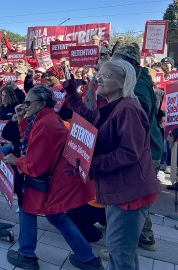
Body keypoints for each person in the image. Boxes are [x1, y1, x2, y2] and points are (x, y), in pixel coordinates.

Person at [65, 60, 160, 270]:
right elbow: (91, 119)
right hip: (119, 188)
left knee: (119, 251)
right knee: (120, 250)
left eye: (105, 76)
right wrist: (73, 95)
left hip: (129, 192)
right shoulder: (114, 106)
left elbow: (129, 153)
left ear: (121, 82)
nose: (98, 79)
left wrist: (91, 164)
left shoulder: (128, 109)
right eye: (99, 74)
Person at [4, 86, 102, 270]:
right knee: (56, 217)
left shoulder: (46, 123)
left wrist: (16, 161)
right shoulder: (45, 117)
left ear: (41, 104)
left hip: (49, 180)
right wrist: (20, 118)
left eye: (28, 102)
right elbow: (30, 138)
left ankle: (26, 255)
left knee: (27, 208)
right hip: (55, 178)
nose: (24, 105)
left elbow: (35, 165)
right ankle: (88, 258)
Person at [111, 45, 163, 251]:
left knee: (131, 200)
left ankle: (123, 246)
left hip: (143, 151)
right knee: (136, 198)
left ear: (127, 65)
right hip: (145, 149)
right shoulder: (136, 81)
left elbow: (133, 122)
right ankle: (145, 237)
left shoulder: (138, 86)